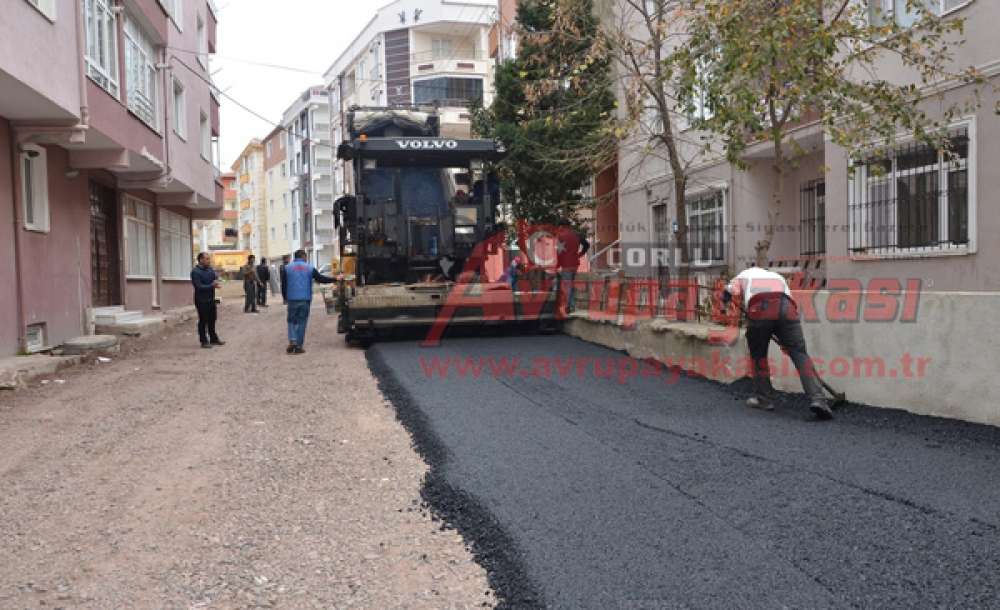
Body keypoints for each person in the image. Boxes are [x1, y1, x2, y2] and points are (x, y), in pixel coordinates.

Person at [723, 266, 833, 420]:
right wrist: (786, 343)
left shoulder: (744, 274)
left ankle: (764, 399)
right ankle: (819, 399)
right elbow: (784, 303)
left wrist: (725, 296)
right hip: (787, 308)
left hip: (760, 308)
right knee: (799, 353)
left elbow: (731, 290)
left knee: (758, 356)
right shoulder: (777, 277)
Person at [285, 249, 337, 354]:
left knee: (291, 320)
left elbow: (283, 284)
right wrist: (335, 279)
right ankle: (299, 346)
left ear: (295, 257)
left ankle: (293, 341)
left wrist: (285, 297)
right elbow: (320, 279)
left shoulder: (287, 268)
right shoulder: (309, 268)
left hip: (292, 299)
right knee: (302, 321)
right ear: (304, 256)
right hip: (305, 299)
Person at [190, 252, 225, 349]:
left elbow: (214, 278)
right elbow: (198, 286)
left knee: (212, 319)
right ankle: (204, 341)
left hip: (211, 299)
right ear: (200, 260)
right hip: (201, 300)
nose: (208, 261)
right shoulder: (195, 272)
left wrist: (217, 280)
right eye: (206, 259)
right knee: (203, 320)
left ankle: (213, 338)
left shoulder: (210, 270)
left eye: (209, 259)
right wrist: (212, 285)